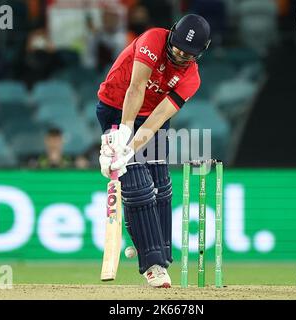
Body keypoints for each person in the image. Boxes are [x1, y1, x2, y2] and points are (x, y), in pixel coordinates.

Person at [96, 14, 211, 288]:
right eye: (177, 48)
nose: (179, 55)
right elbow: (135, 87)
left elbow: (160, 115)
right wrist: (124, 133)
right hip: (116, 105)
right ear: (172, 34)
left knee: (160, 185)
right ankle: (153, 264)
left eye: (187, 54)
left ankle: (158, 249)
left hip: (151, 118)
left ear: (200, 53)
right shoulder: (153, 39)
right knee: (137, 185)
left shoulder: (191, 79)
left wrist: (129, 148)